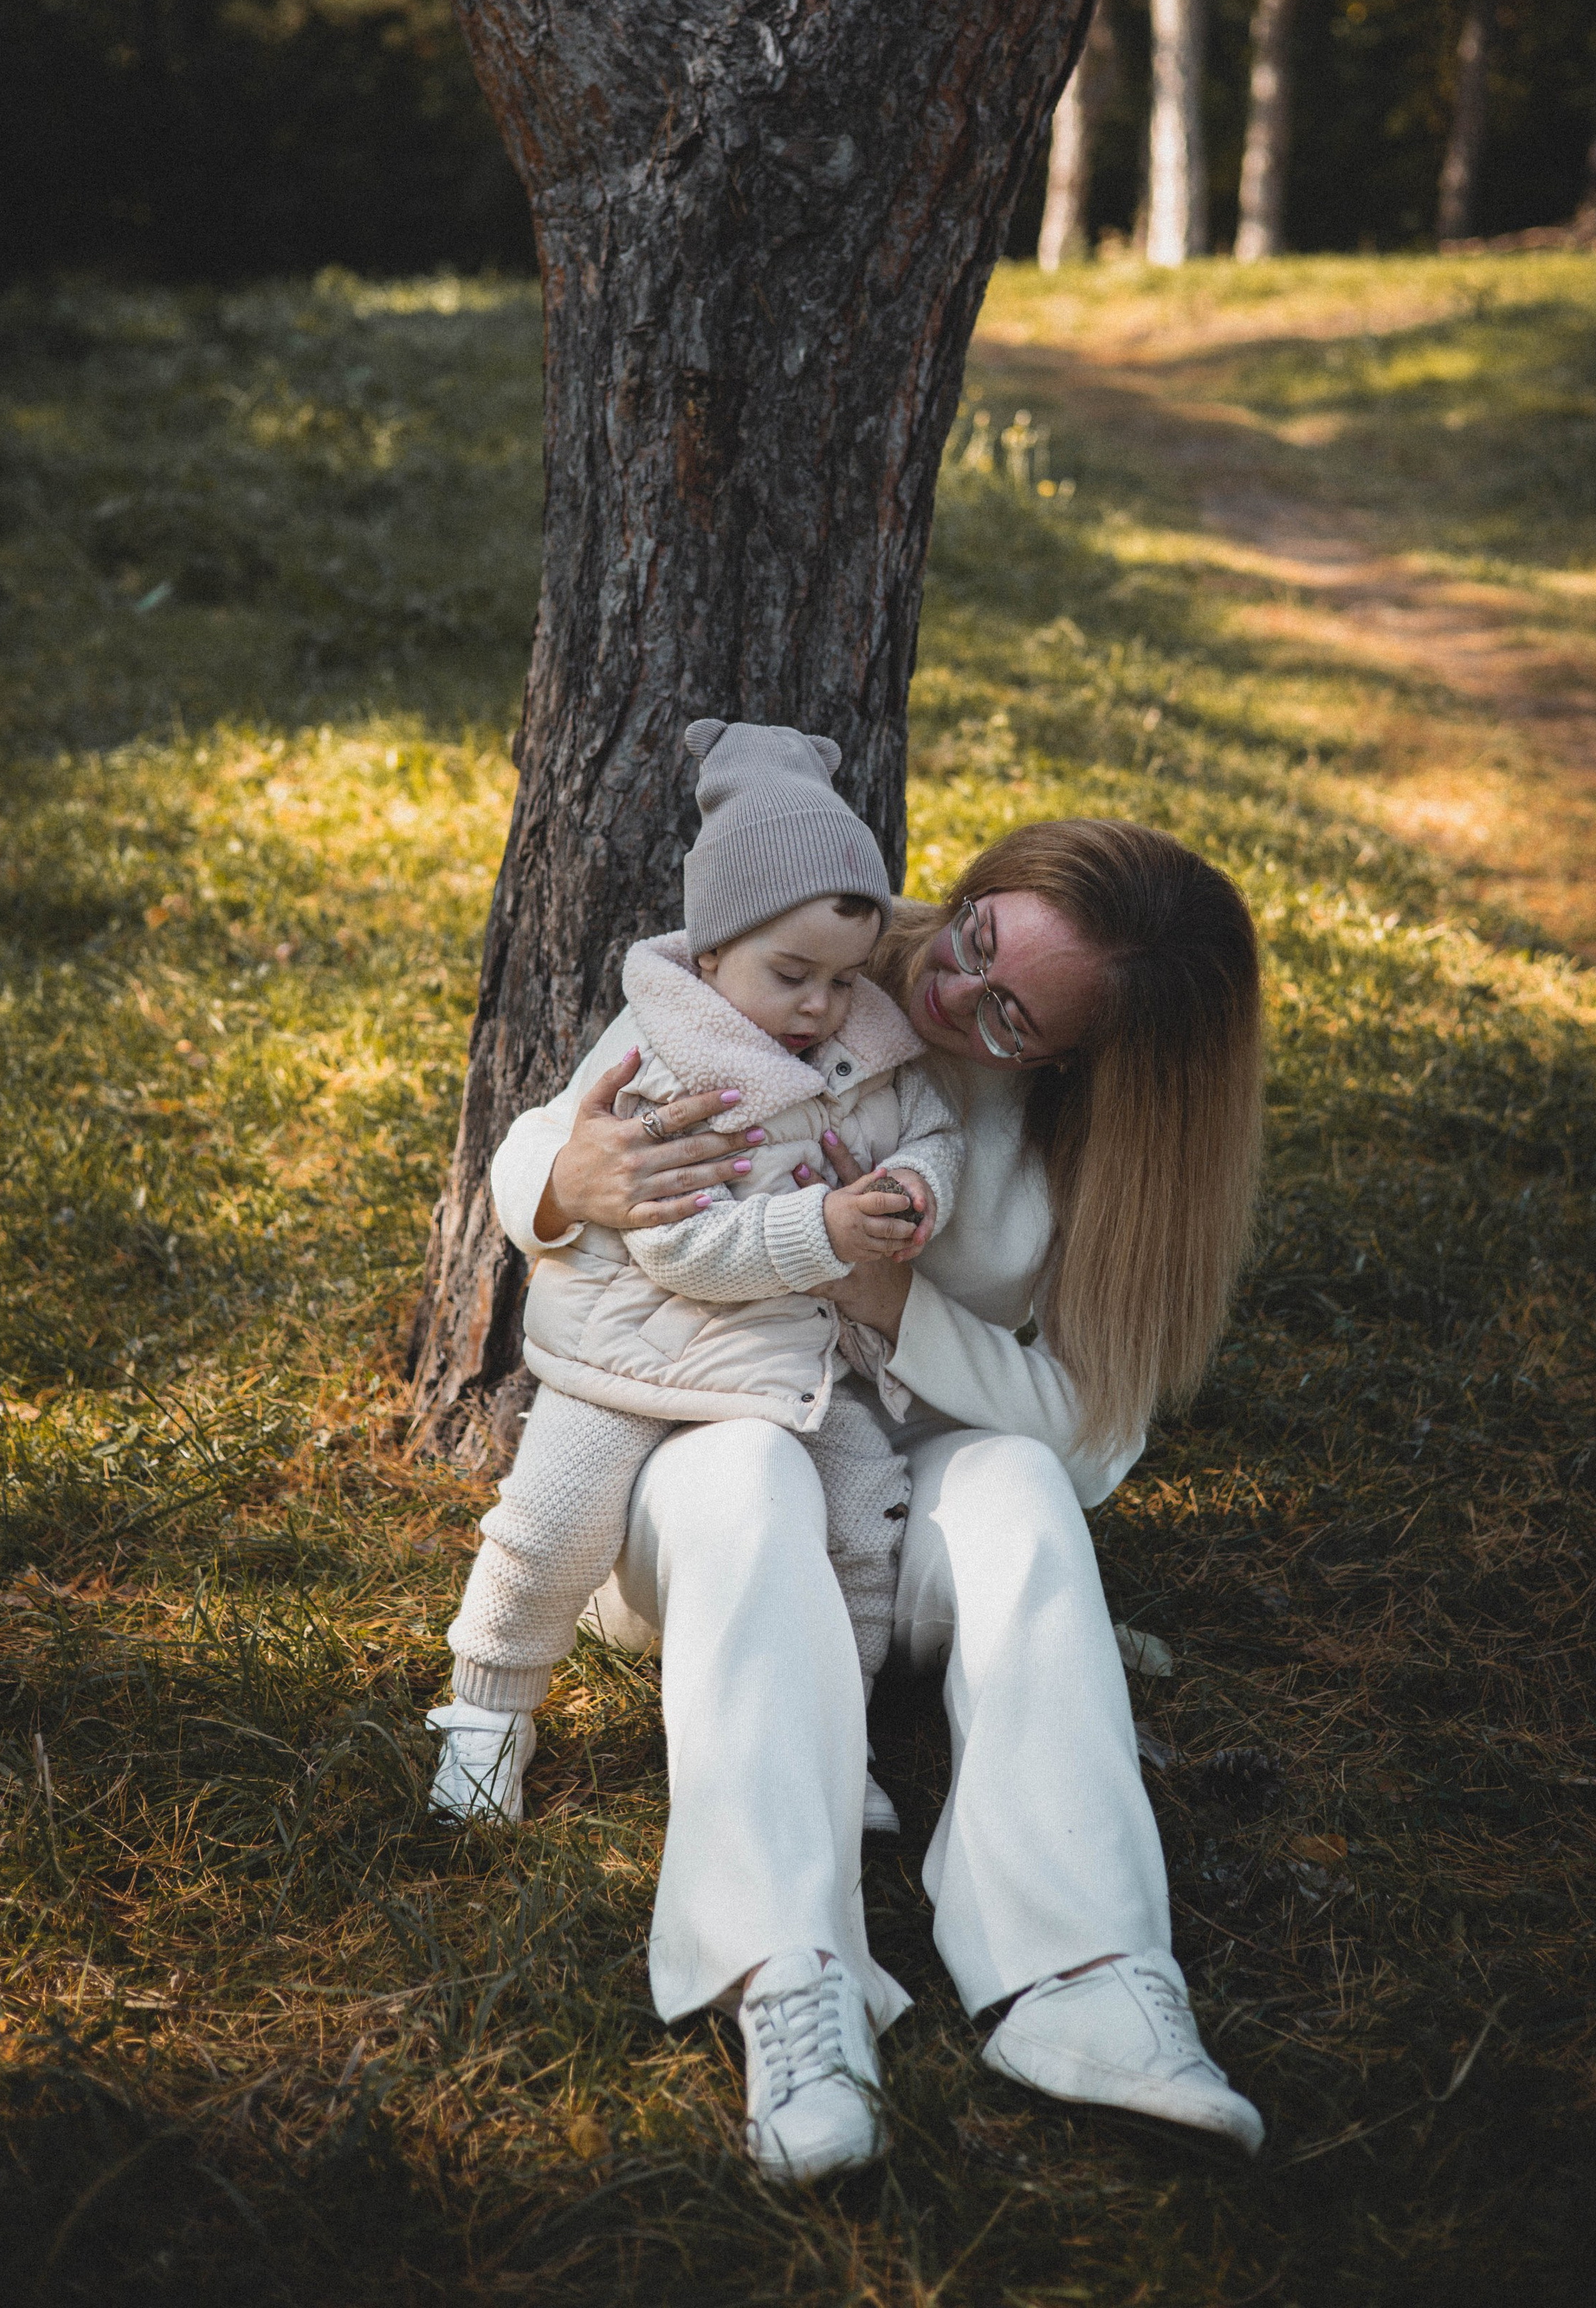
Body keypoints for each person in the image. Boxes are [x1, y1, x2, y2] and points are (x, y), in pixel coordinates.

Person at [478, 815, 1266, 2181]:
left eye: (1015, 1015)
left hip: (900, 1511)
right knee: (747, 1469)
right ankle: (789, 1971)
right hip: (696, 1499)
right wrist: (558, 1180)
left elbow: (1088, 1448)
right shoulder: (812, 968)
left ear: (1091, 1061)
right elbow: (560, 1129)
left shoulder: (1103, 1153)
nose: (954, 994)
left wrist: (893, 1302)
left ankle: (1088, 1971)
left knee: (1018, 1485)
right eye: (975, 938)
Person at [427, 722, 963, 1836]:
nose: (821, 1006)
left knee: (864, 1525)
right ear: (713, 953)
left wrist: (916, 1183)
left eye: (844, 978)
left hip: (785, 1359)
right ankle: (487, 1715)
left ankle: (835, 1730)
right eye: (792, 975)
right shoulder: (675, 1069)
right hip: (632, 1348)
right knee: (552, 1527)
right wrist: (827, 1227)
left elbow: (936, 1129)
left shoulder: (862, 1047)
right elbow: (678, 1244)